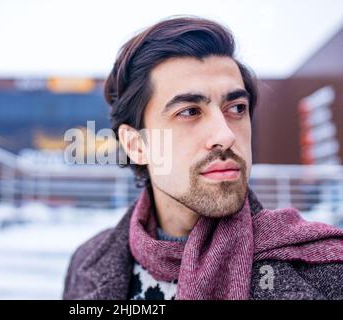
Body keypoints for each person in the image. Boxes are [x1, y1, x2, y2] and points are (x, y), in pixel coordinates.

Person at [63, 16, 343, 300]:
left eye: (236, 108)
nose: (225, 135)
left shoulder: (327, 270)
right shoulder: (85, 265)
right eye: (189, 112)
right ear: (136, 145)